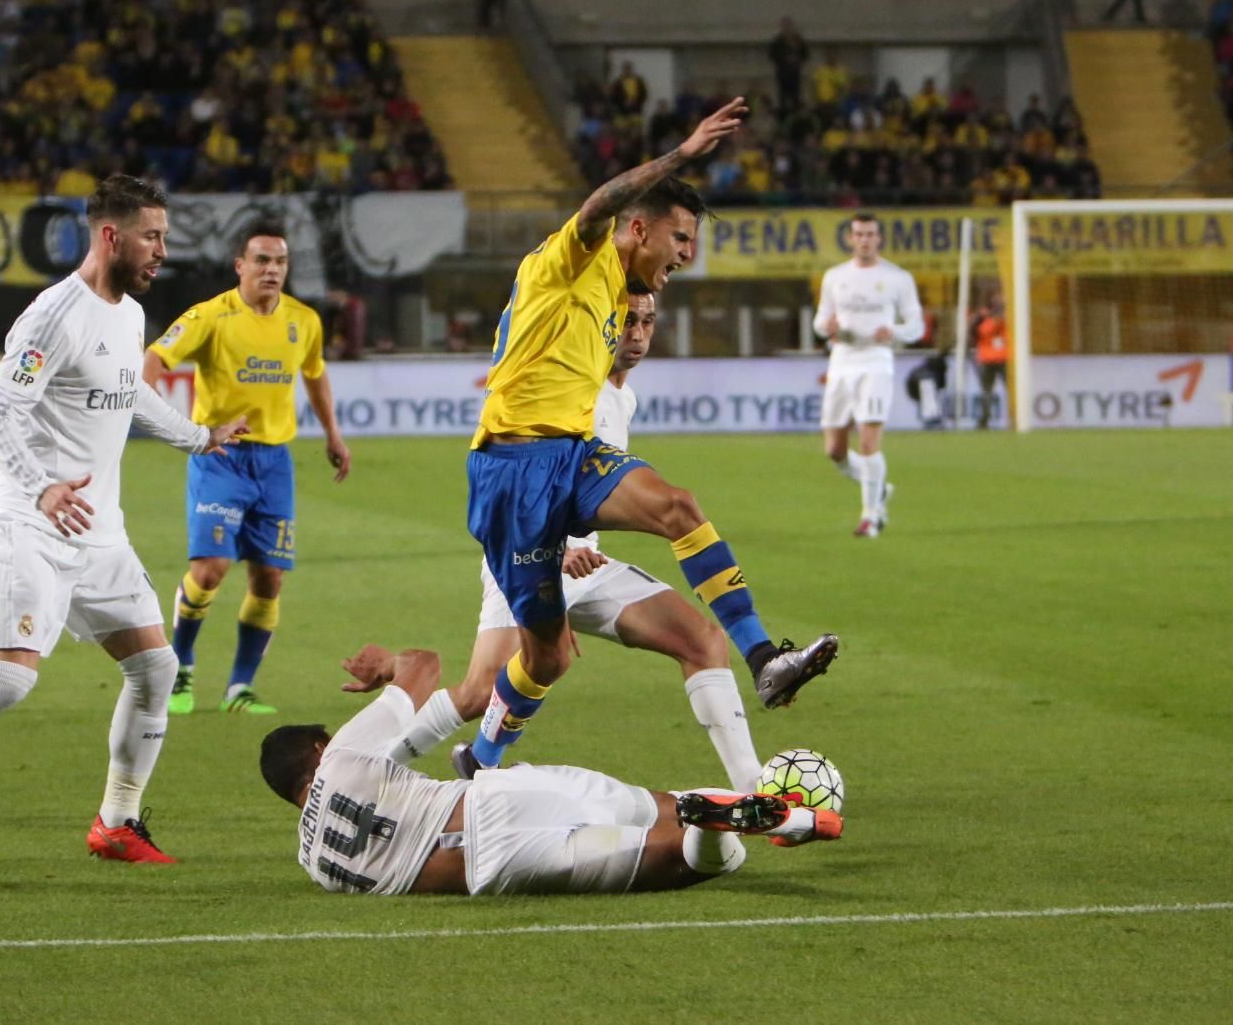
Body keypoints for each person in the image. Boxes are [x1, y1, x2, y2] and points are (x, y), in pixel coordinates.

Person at [0, 176, 249, 873]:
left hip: (99, 532)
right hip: (29, 523)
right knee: (8, 682)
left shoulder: (126, 315)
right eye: (152, 237)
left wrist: (197, 436)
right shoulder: (52, 316)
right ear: (110, 236)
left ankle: (117, 822)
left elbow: (130, 393)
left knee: (155, 668)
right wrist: (41, 488)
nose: (163, 251)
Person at [459, 96, 839, 780]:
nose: (686, 257)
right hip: (510, 471)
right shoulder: (573, 260)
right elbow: (599, 202)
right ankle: (480, 761)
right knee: (545, 657)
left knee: (678, 507)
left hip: (571, 457)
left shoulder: (616, 293)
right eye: (681, 239)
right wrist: (684, 155)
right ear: (639, 227)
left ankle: (762, 658)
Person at [350, 293, 764, 794]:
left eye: (647, 321)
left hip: (587, 565)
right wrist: (556, 548)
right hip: (527, 555)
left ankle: (755, 791)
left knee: (703, 641)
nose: (637, 333)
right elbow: (520, 479)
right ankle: (367, 773)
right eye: (626, 321)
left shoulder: (620, 395)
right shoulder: (570, 392)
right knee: (480, 690)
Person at [260, 645, 842, 896]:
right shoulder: (340, 757)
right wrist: (387, 667)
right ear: (317, 749)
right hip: (499, 798)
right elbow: (424, 667)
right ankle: (746, 814)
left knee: (678, 859)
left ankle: (712, 828)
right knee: (653, 802)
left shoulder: (314, 863)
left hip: (497, 867)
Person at [144, 222, 352, 716]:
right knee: (211, 569)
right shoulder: (210, 316)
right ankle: (183, 666)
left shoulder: (304, 320)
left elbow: (316, 376)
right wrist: (165, 418)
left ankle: (240, 687)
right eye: (261, 260)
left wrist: (333, 434)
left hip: (274, 463)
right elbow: (153, 360)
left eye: (280, 261)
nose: (272, 270)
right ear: (240, 266)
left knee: (269, 580)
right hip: (220, 458)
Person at [815, 212, 926, 537]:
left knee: (868, 442)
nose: (865, 240)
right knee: (834, 450)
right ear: (850, 239)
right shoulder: (835, 277)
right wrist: (827, 327)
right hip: (842, 361)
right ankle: (878, 487)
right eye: (859, 234)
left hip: (876, 362)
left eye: (870, 234)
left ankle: (871, 516)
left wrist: (893, 332)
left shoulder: (897, 278)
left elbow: (916, 326)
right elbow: (820, 321)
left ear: (879, 239)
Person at [971, 290, 1008, 430]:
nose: (1000, 299)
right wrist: (994, 320)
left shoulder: (1011, 314)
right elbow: (981, 332)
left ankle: (1015, 417)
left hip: (1004, 357)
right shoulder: (983, 316)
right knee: (986, 391)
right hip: (987, 359)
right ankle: (984, 420)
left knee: (1011, 389)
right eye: (997, 296)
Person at [768, 17, 809, 116]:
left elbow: (805, 54)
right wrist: (784, 59)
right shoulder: (778, 41)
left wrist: (797, 60)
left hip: (795, 74)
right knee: (782, 99)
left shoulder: (798, 40)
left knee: (796, 98)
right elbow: (772, 55)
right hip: (782, 74)